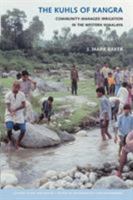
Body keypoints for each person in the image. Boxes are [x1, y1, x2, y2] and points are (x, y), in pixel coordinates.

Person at [5, 81, 26, 149]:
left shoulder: (22, 94)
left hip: (19, 114)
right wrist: (12, 111)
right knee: (9, 129)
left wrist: (16, 110)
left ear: (19, 88)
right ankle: (10, 140)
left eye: (17, 88)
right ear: (12, 87)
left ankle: (18, 142)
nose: (15, 89)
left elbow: (23, 105)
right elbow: (8, 107)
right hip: (9, 114)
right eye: (14, 87)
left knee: (23, 130)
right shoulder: (8, 95)